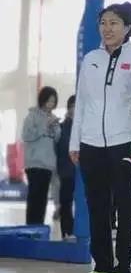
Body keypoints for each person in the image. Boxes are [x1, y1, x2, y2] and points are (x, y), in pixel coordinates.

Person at [70, 2, 131, 273]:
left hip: (125, 143)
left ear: (127, 27)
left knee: (126, 208)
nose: (107, 28)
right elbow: (82, 103)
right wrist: (75, 141)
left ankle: (123, 271)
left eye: (114, 23)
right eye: (103, 22)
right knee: (97, 207)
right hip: (91, 144)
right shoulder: (91, 59)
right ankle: (102, 267)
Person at [22, 86, 60, 225]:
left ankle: (39, 228)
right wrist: (45, 126)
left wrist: (55, 127)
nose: (51, 104)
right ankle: (30, 227)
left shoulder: (53, 118)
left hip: (48, 165)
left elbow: (57, 139)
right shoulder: (32, 116)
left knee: (43, 199)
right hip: (34, 164)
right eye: (49, 101)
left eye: (53, 102)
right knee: (34, 197)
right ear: (42, 100)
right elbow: (26, 135)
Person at [56, 95, 77, 240]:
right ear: (69, 108)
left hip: (81, 172)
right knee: (66, 201)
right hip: (66, 171)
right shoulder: (62, 127)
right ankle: (67, 231)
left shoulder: (85, 127)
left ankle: (79, 230)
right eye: (73, 106)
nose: (75, 109)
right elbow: (61, 148)